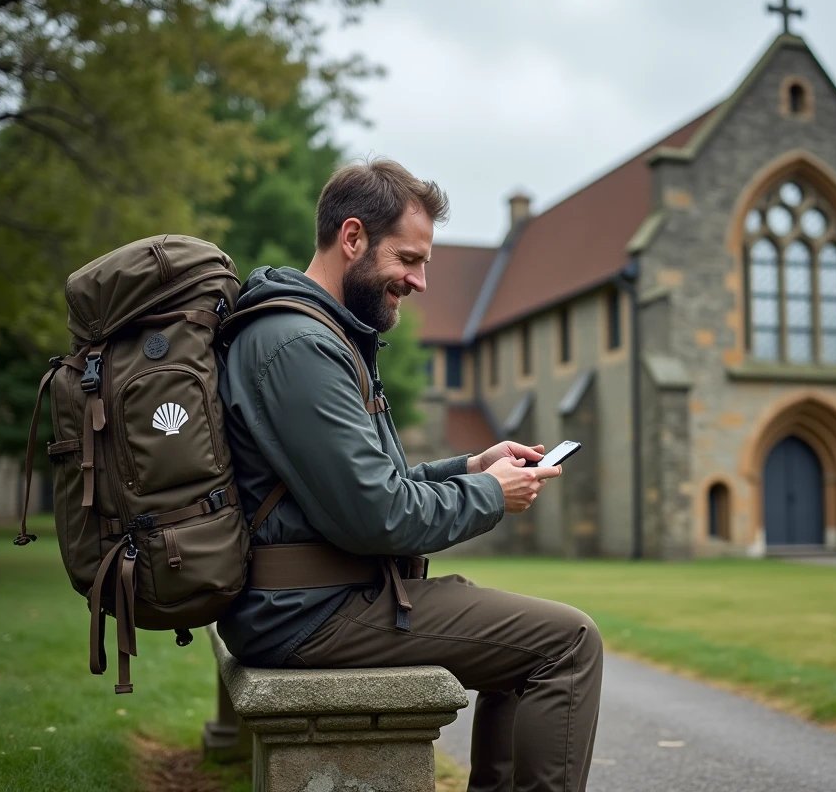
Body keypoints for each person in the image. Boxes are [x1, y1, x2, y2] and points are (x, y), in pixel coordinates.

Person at [217, 158, 603, 792]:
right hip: (307, 613)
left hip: (313, 600)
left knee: (529, 645)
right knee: (568, 643)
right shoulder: (299, 347)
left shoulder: (319, 335)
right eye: (408, 260)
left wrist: (471, 466)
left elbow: (366, 484)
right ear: (352, 239)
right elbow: (379, 516)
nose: (420, 281)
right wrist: (489, 494)